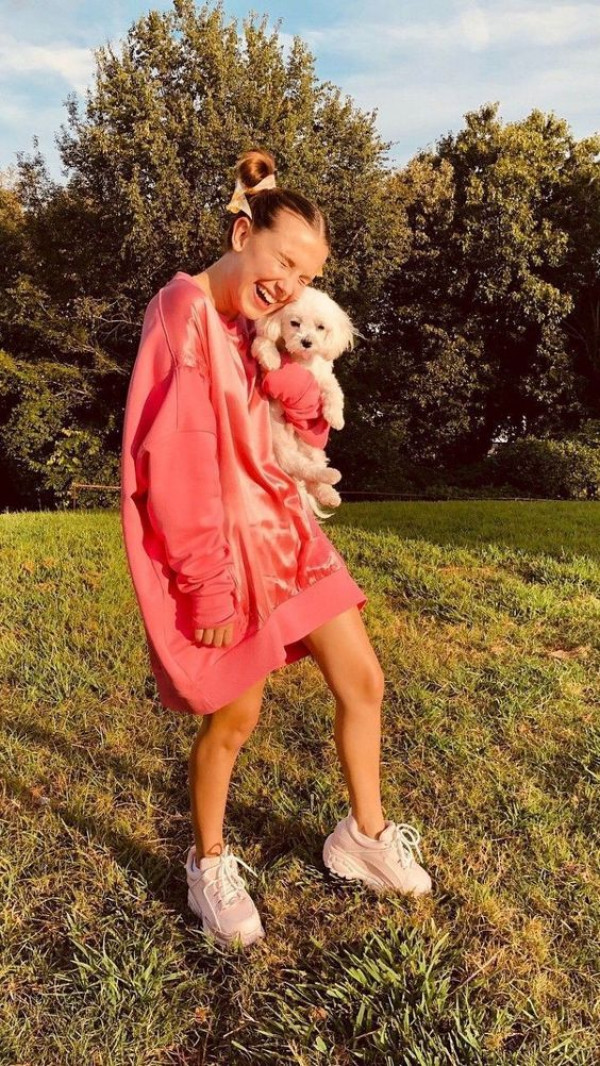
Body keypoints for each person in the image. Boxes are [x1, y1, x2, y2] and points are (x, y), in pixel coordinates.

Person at [120, 148, 432, 949]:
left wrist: (302, 395)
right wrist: (208, 588)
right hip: (224, 553)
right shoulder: (184, 310)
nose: (289, 285)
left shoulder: (249, 323)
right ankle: (209, 861)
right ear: (239, 232)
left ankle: (361, 836)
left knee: (363, 680)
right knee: (237, 715)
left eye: (304, 276)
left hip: (289, 532)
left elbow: (291, 420)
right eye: (282, 261)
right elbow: (177, 457)